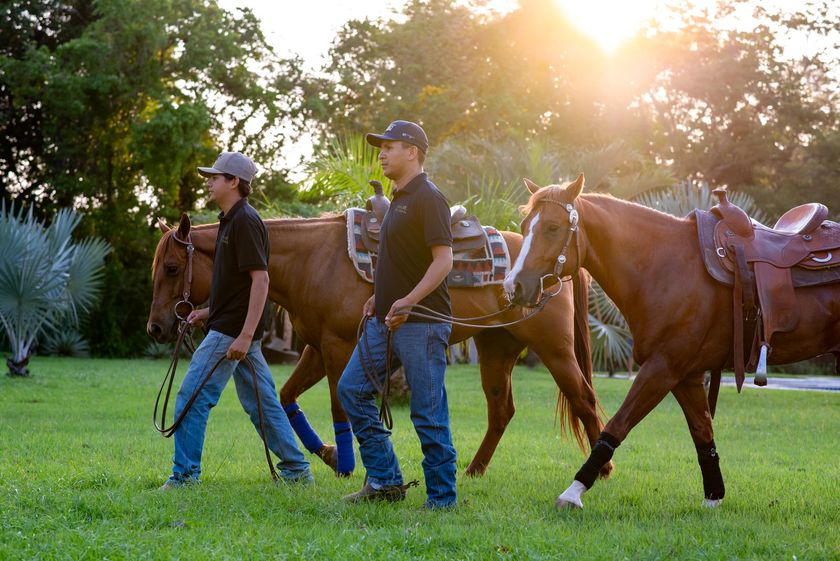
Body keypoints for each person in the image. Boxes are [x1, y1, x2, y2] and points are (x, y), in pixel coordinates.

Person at [161, 151, 312, 489]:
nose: (209, 181)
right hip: (229, 325)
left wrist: (244, 336)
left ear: (234, 182)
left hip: (232, 333)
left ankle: (184, 476)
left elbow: (261, 281)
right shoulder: (230, 219)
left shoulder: (245, 221)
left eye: (215, 177)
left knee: (192, 397)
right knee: (262, 404)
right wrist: (207, 311)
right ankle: (296, 470)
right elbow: (235, 285)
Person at [337, 120, 457, 509]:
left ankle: (442, 498)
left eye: (390, 146)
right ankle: (385, 481)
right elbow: (398, 259)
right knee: (351, 389)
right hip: (383, 320)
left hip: (422, 324)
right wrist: (379, 295)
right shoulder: (398, 197)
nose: (382, 153)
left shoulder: (429, 197)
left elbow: (443, 261)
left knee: (428, 412)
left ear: (412, 151)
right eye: (381, 147)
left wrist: (408, 301)